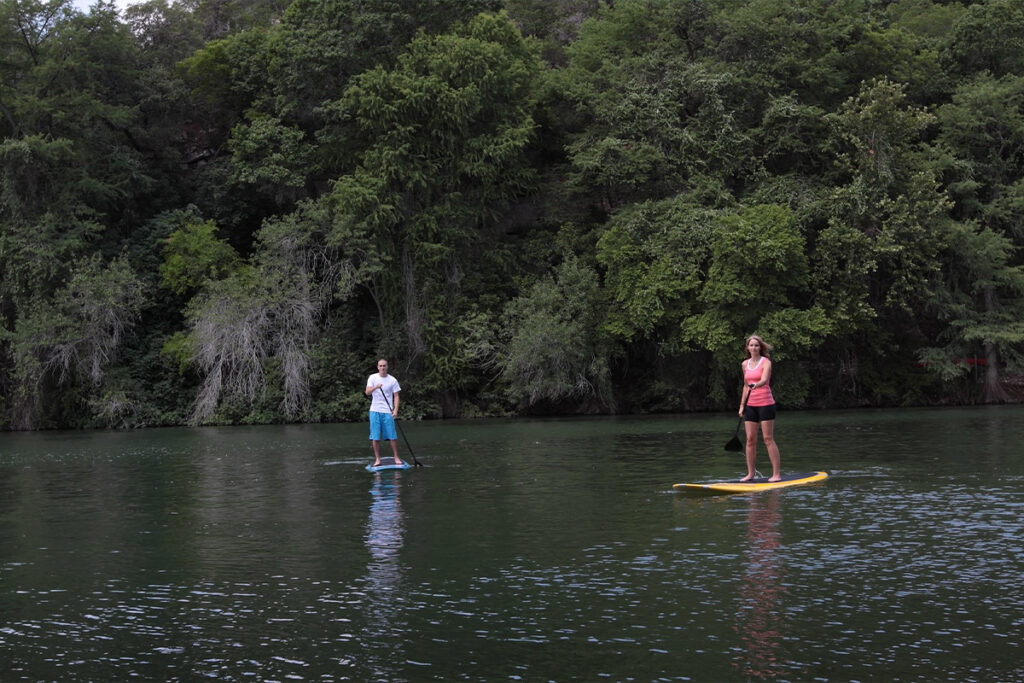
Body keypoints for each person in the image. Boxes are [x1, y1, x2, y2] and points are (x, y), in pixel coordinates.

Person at [738, 335, 781, 482]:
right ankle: (750, 474)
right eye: (751, 345)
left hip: (766, 404)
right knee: (750, 439)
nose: (754, 348)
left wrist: (757, 385)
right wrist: (742, 406)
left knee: (768, 439)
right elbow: (745, 386)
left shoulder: (766, 362)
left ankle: (776, 474)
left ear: (760, 347)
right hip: (750, 405)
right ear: (747, 348)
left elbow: (764, 379)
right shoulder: (744, 364)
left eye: (756, 345)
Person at [365, 358, 402, 466]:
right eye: (380, 366)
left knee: (392, 436)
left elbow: (396, 396)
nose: (382, 368)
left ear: (387, 367)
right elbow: (367, 392)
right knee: (375, 436)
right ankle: (378, 459)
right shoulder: (373, 377)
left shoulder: (392, 380)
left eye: (384, 366)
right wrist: (375, 387)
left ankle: (396, 457)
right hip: (374, 410)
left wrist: (395, 410)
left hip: (388, 411)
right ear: (378, 367)